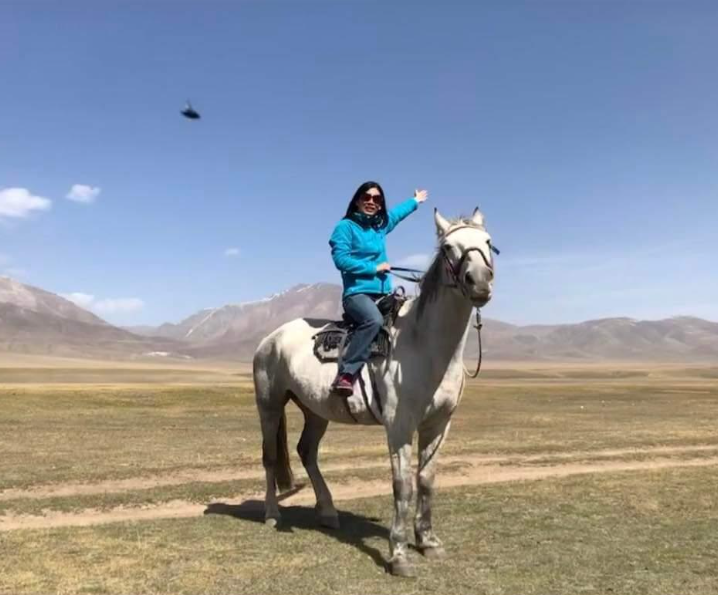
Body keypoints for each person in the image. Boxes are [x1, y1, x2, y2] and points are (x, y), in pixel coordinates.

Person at [329, 181, 428, 396]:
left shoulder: (379, 226)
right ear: (357, 200)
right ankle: (347, 373)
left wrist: (415, 201)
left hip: (384, 293)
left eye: (377, 198)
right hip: (358, 294)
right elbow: (341, 260)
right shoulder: (345, 227)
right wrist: (374, 268)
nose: (371, 201)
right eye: (366, 197)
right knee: (373, 320)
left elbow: (396, 215)